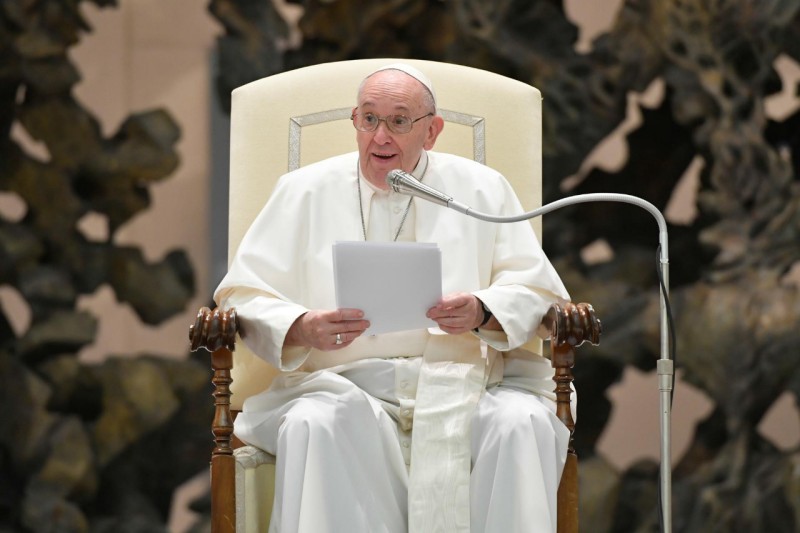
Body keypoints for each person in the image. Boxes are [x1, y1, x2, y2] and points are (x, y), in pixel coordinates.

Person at [214, 63, 572, 533]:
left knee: (521, 422)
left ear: (432, 130)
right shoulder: (303, 191)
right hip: (342, 384)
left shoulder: (480, 189)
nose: (380, 137)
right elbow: (242, 296)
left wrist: (483, 311)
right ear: (355, 121)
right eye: (368, 119)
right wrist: (301, 326)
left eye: (399, 121)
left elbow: (537, 291)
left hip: (468, 382)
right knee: (314, 424)